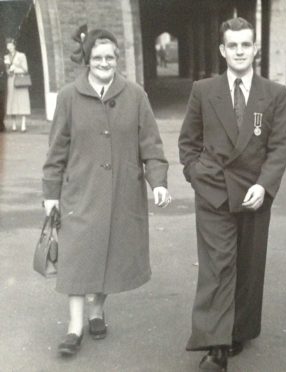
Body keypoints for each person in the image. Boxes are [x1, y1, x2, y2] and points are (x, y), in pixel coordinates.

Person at [42, 26, 171, 357]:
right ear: (88, 61)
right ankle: (74, 328)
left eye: (109, 57)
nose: (103, 62)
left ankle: (97, 310)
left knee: (112, 253)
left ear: (117, 59)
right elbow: (56, 151)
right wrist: (51, 194)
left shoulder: (136, 95)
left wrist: (158, 182)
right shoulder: (69, 96)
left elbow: (151, 145)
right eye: (97, 57)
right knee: (76, 257)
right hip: (79, 193)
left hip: (122, 193)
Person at [178, 17, 286, 372]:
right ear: (222, 50)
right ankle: (217, 345)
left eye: (246, 45)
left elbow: (279, 145)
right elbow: (188, 143)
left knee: (248, 266)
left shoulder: (273, 94)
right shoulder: (203, 90)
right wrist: (198, 177)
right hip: (213, 193)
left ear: (255, 49)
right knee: (217, 267)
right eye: (233, 45)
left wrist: (265, 185)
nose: (240, 51)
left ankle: (239, 329)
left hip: (254, 194)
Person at [4, 38, 31, 132]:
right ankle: (14, 125)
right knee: (12, 102)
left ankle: (23, 124)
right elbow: (7, 71)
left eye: (10, 44)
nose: (9, 46)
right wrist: (9, 70)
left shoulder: (21, 55)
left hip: (20, 80)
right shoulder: (6, 57)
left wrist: (16, 67)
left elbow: (26, 69)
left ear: (14, 45)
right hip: (11, 81)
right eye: (7, 45)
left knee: (23, 101)